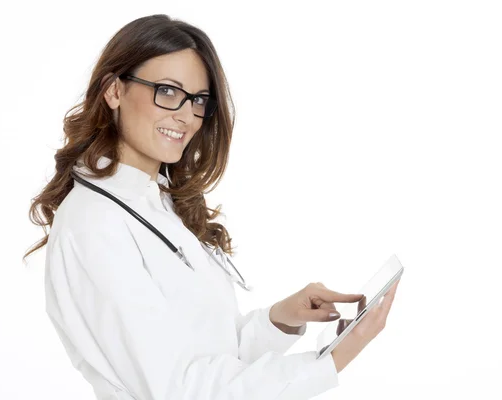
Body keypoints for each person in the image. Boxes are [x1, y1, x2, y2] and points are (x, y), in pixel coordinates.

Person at [23, 14, 401, 400]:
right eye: (167, 91)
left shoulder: (156, 201)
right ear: (114, 90)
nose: (186, 115)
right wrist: (332, 362)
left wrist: (280, 320)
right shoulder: (94, 224)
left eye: (199, 100)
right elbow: (179, 389)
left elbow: (210, 356)